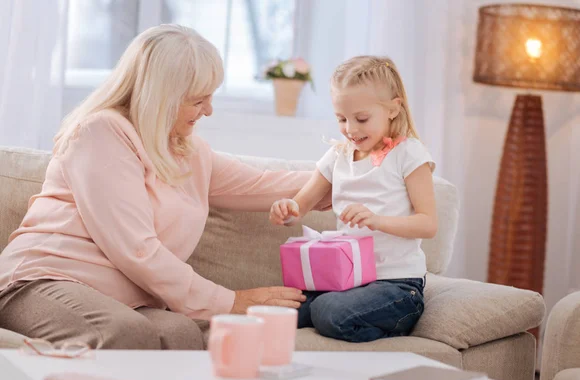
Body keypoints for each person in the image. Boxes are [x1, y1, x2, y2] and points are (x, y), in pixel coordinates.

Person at [0, 24, 329, 350]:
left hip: (121, 298)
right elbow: (137, 249)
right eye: (199, 100)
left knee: (182, 334)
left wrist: (352, 171)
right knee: (127, 333)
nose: (209, 111)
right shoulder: (101, 133)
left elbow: (265, 185)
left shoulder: (188, 151)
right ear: (162, 96)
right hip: (41, 281)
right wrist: (232, 301)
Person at [269, 56, 437, 343]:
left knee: (328, 311)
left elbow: (428, 224)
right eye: (341, 119)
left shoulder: (409, 154)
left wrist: (377, 220)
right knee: (281, 311)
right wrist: (287, 209)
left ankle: (394, 321)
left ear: (393, 108)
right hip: (346, 281)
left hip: (396, 285)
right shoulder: (338, 155)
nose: (350, 129)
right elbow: (300, 206)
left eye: (361, 119)